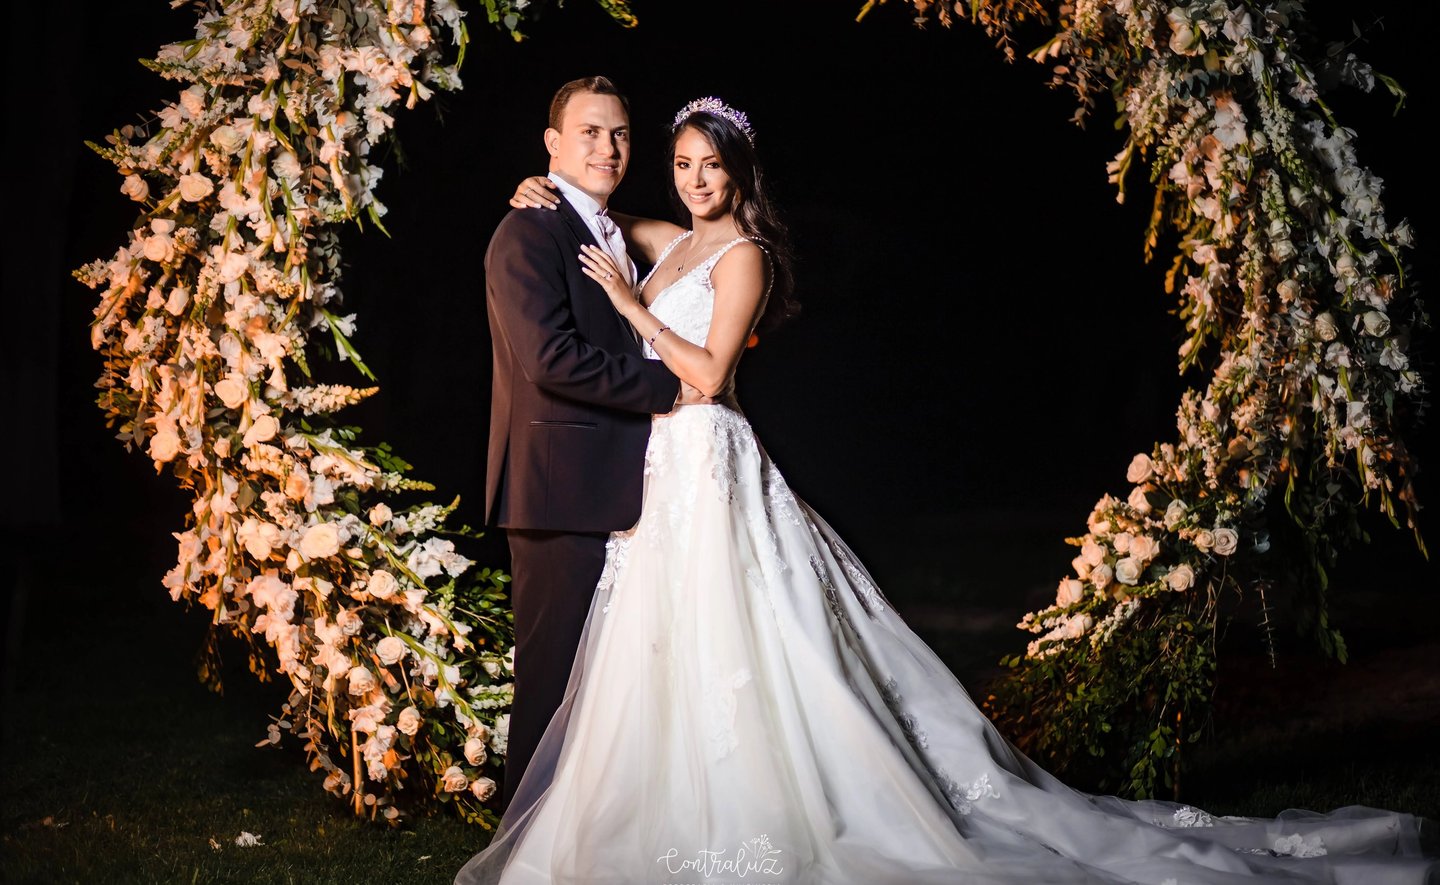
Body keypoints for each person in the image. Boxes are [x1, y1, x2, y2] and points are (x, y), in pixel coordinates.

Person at [456, 98, 1437, 884]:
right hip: (661, 470)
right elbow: (598, 215)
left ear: (742, 173)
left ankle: (776, 798)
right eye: (681, 162)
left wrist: (630, 309)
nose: (695, 178)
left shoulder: (745, 255)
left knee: (745, 632)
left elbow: (709, 376)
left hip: (710, 452)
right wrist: (543, 190)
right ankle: (660, 796)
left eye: (712, 164)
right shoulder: (668, 239)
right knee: (663, 639)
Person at [482, 76, 717, 808]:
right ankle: (523, 833)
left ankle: (588, 824)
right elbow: (548, 359)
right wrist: (666, 388)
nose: (607, 148)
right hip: (560, 487)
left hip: (613, 484)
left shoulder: (604, 228)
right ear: (552, 143)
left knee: (604, 680)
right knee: (551, 678)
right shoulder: (528, 232)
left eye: (618, 134)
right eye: (589, 132)